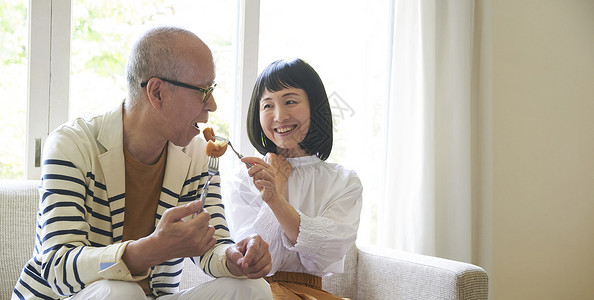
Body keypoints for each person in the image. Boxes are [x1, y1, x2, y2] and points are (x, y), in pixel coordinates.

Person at [12, 26, 272, 300]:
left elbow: (213, 243)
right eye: (203, 90)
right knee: (120, 292)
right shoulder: (72, 145)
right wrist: (149, 250)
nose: (213, 105)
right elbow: (59, 266)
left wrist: (234, 257)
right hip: (69, 296)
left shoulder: (197, 154)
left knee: (252, 288)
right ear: (157, 92)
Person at [224, 58, 363, 299]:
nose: (279, 116)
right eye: (267, 106)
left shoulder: (343, 181)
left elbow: (324, 253)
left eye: (290, 101)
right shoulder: (243, 178)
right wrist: (275, 188)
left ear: (314, 106)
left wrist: (276, 198)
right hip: (253, 292)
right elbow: (255, 262)